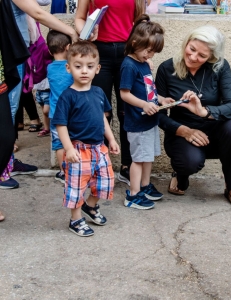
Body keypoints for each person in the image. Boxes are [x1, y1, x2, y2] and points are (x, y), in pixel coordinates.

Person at [156, 25, 231, 206]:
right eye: (191, 49)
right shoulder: (166, 68)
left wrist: (204, 112)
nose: (193, 57)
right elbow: (157, 113)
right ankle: (181, 177)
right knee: (189, 162)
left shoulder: (220, 67)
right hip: (181, 132)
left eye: (202, 56)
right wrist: (183, 131)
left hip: (214, 130)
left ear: (212, 57)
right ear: (187, 42)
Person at [0, 0, 78, 190]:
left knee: (11, 110)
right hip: (8, 53)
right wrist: (71, 32)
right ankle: (3, 170)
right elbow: (38, 12)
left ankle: (7, 162)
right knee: (7, 113)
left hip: (14, 53)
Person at [75, 0, 147, 187]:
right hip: (99, 52)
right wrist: (86, 33)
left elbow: (140, 25)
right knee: (100, 112)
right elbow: (80, 18)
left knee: (128, 111)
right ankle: (99, 164)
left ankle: (127, 166)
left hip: (127, 53)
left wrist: (143, 55)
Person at [52, 41, 120, 237]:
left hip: (99, 148)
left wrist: (112, 139)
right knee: (76, 187)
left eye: (89, 67)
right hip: (78, 149)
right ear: (68, 67)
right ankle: (75, 219)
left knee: (104, 182)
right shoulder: (68, 96)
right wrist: (68, 148)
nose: (84, 71)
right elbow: (60, 124)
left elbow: (102, 118)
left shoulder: (98, 93)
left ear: (97, 69)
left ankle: (90, 207)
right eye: (78, 66)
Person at [120, 14, 170, 210]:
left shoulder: (144, 64)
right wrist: (143, 105)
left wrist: (161, 100)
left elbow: (149, 90)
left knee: (147, 156)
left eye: (153, 52)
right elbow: (124, 94)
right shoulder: (128, 65)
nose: (150, 55)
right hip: (137, 122)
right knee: (138, 159)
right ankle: (133, 195)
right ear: (135, 43)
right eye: (148, 51)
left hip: (150, 121)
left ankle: (144, 185)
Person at [46, 30, 74, 184]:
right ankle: (74, 170)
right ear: (68, 47)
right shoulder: (71, 68)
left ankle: (63, 172)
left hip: (55, 113)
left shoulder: (49, 68)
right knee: (73, 140)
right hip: (72, 112)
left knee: (58, 143)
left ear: (50, 50)